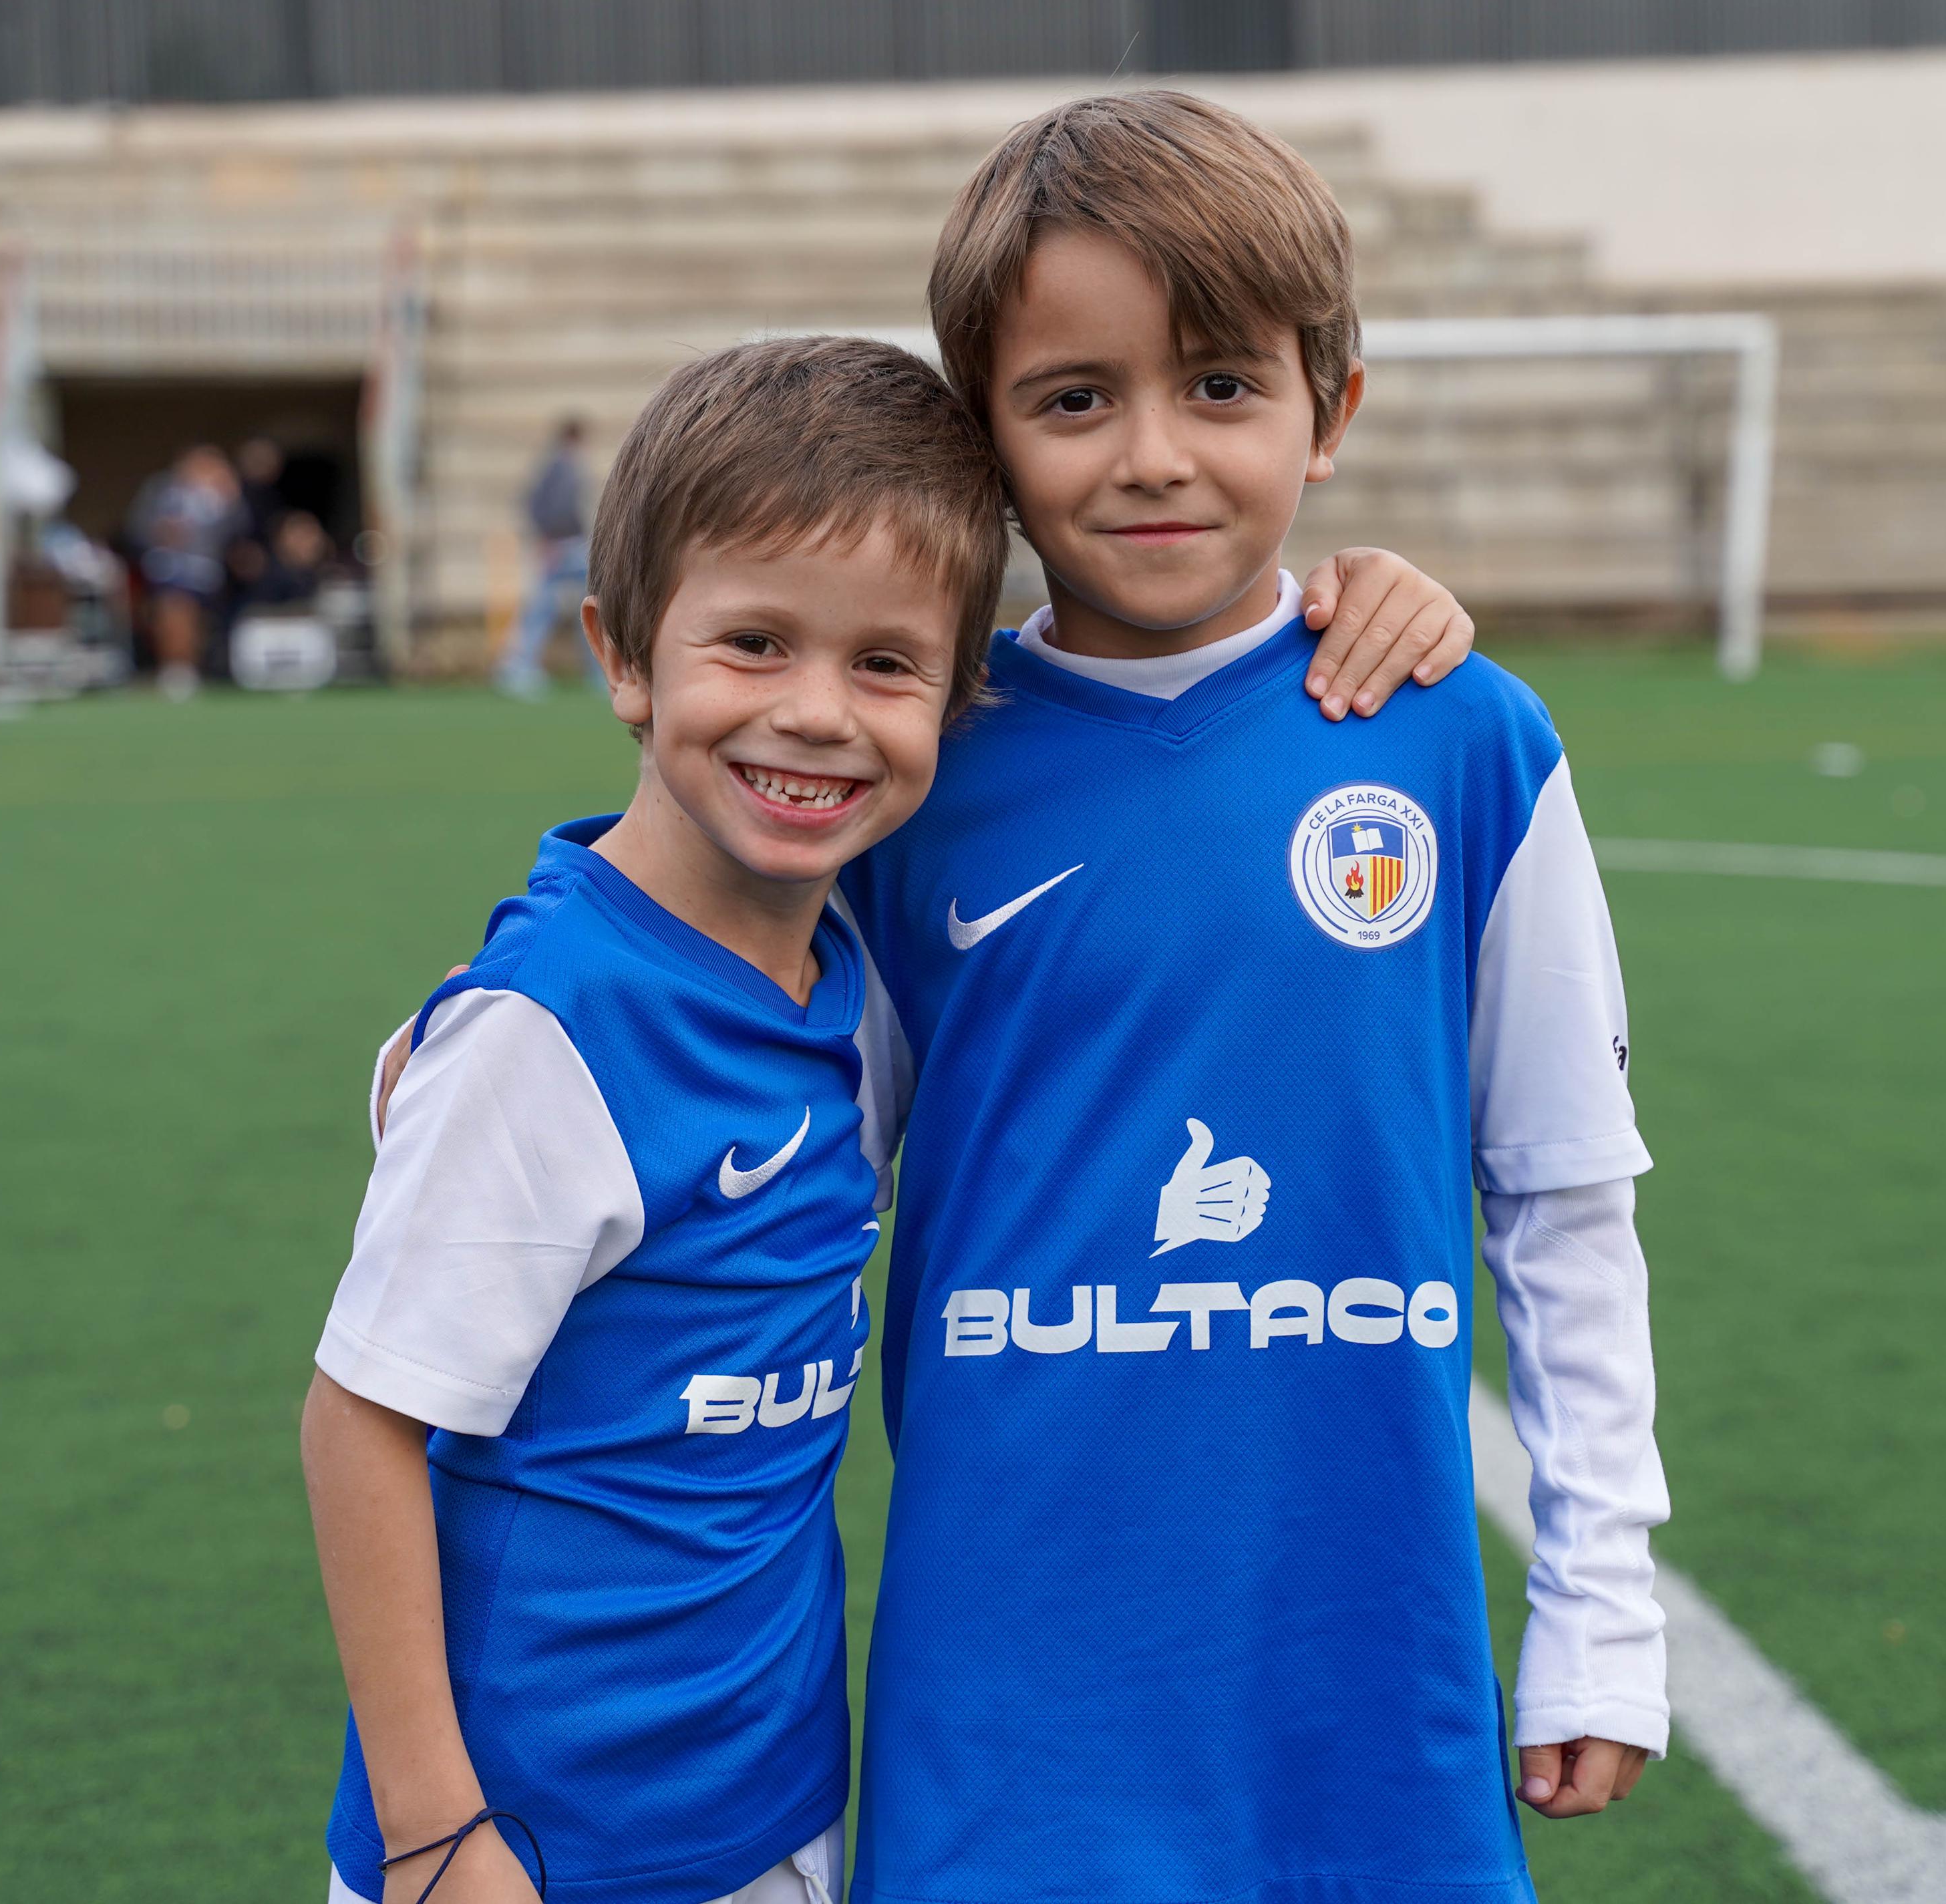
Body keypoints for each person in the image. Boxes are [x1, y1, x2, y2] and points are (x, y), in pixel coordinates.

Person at [838, 93, 1668, 1904]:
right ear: (982, 427)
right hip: (1012, 1695)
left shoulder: (1466, 742)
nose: (1152, 455)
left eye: (1223, 385)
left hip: (1360, 1677)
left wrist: (1603, 1603)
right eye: (1074, 397)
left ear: (1331, 408)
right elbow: (766, 1162)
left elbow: (1563, 1195)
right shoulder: (913, 772)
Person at [301, 337, 1005, 1904]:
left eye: (885, 663)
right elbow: (359, 1422)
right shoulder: (550, 1031)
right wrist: (433, 1834)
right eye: (752, 641)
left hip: (762, 1804)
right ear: (623, 656)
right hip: (526, 1850)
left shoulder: (855, 979)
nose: (815, 712)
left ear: (959, 698)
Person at [128, 444, 247, 699]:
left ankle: (190, 666)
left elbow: (237, 529)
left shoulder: (222, 493)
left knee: (197, 622)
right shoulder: (161, 490)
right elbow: (137, 526)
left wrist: (230, 494)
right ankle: (176, 669)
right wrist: (160, 532)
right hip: (168, 566)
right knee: (174, 612)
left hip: (206, 570)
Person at [494, 416, 591, 695]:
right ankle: (517, 664)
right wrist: (549, 539)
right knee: (548, 607)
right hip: (565, 546)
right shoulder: (563, 467)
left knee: (574, 605)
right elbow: (554, 508)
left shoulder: (554, 466)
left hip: (566, 545)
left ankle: (595, 670)